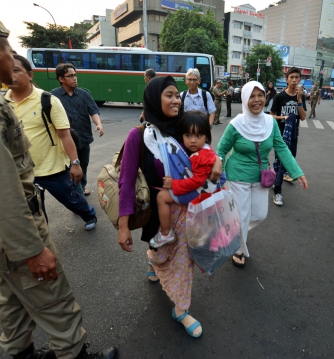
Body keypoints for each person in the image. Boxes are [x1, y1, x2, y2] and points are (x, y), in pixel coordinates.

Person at [0, 10, 117, 358]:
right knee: (55, 302)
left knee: (12, 303)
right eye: (8, 48)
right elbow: (0, 186)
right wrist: (33, 250)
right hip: (14, 227)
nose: (10, 56)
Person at [117, 76, 222, 338]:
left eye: (178, 95)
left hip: (191, 208)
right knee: (162, 251)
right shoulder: (140, 136)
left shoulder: (185, 126)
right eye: (169, 95)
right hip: (160, 210)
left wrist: (217, 161)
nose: (177, 100)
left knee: (184, 262)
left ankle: (181, 309)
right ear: (154, 98)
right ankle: (153, 260)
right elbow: (127, 180)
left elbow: (205, 149)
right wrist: (123, 225)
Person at [217, 81, 308, 267]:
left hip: (261, 177)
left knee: (259, 214)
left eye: (260, 95)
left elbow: (281, 148)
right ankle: (239, 249)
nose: (257, 100)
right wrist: (220, 174)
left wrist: (296, 172)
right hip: (237, 177)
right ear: (244, 99)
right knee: (242, 215)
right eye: (252, 96)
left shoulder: (270, 122)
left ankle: (236, 232)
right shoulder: (236, 125)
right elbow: (221, 150)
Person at [5, 54, 98, 230]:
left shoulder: (47, 100)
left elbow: (64, 134)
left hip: (53, 168)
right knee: (36, 212)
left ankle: (89, 214)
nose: (10, 75)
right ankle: (44, 239)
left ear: (30, 74)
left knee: (72, 200)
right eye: (6, 70)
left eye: (16, 70)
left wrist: (75, 163)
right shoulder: (2, 104)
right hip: (23, 171)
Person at [152, 111, 219, 248]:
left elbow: (197, 181)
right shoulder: (205, 150)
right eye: (188, 135)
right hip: (204, 190)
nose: (192, 140)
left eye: (198, 135)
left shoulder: (202, 157)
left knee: (162, 197)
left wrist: (174, 184)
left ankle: (166, 233)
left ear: (206, 136)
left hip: (200, 191)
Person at [51, 63, 104, 197]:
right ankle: (77, 193)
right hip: (65, 139)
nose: (75, 78)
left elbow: (93, 110)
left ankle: (82, 185)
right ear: (61, 79)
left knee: (83, 164)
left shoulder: (84, 94)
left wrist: (99, 124)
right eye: (70, 76)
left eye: (75, 75)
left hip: (83, 137)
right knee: (71, 167)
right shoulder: (54, 96)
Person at [270, 67, 307, 205]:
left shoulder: (301, 96)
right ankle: (277, 192)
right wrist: (283, 117)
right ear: (286, 79)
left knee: (288, 161)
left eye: (297, 77)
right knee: (281, 163)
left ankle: (274, 177)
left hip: (293, 135)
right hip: (280, 136)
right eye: (291, 77)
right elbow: (271, 116)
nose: (294, 80)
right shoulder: (279, 97)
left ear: (300, 79)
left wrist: (299, 100)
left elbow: (303, 117)